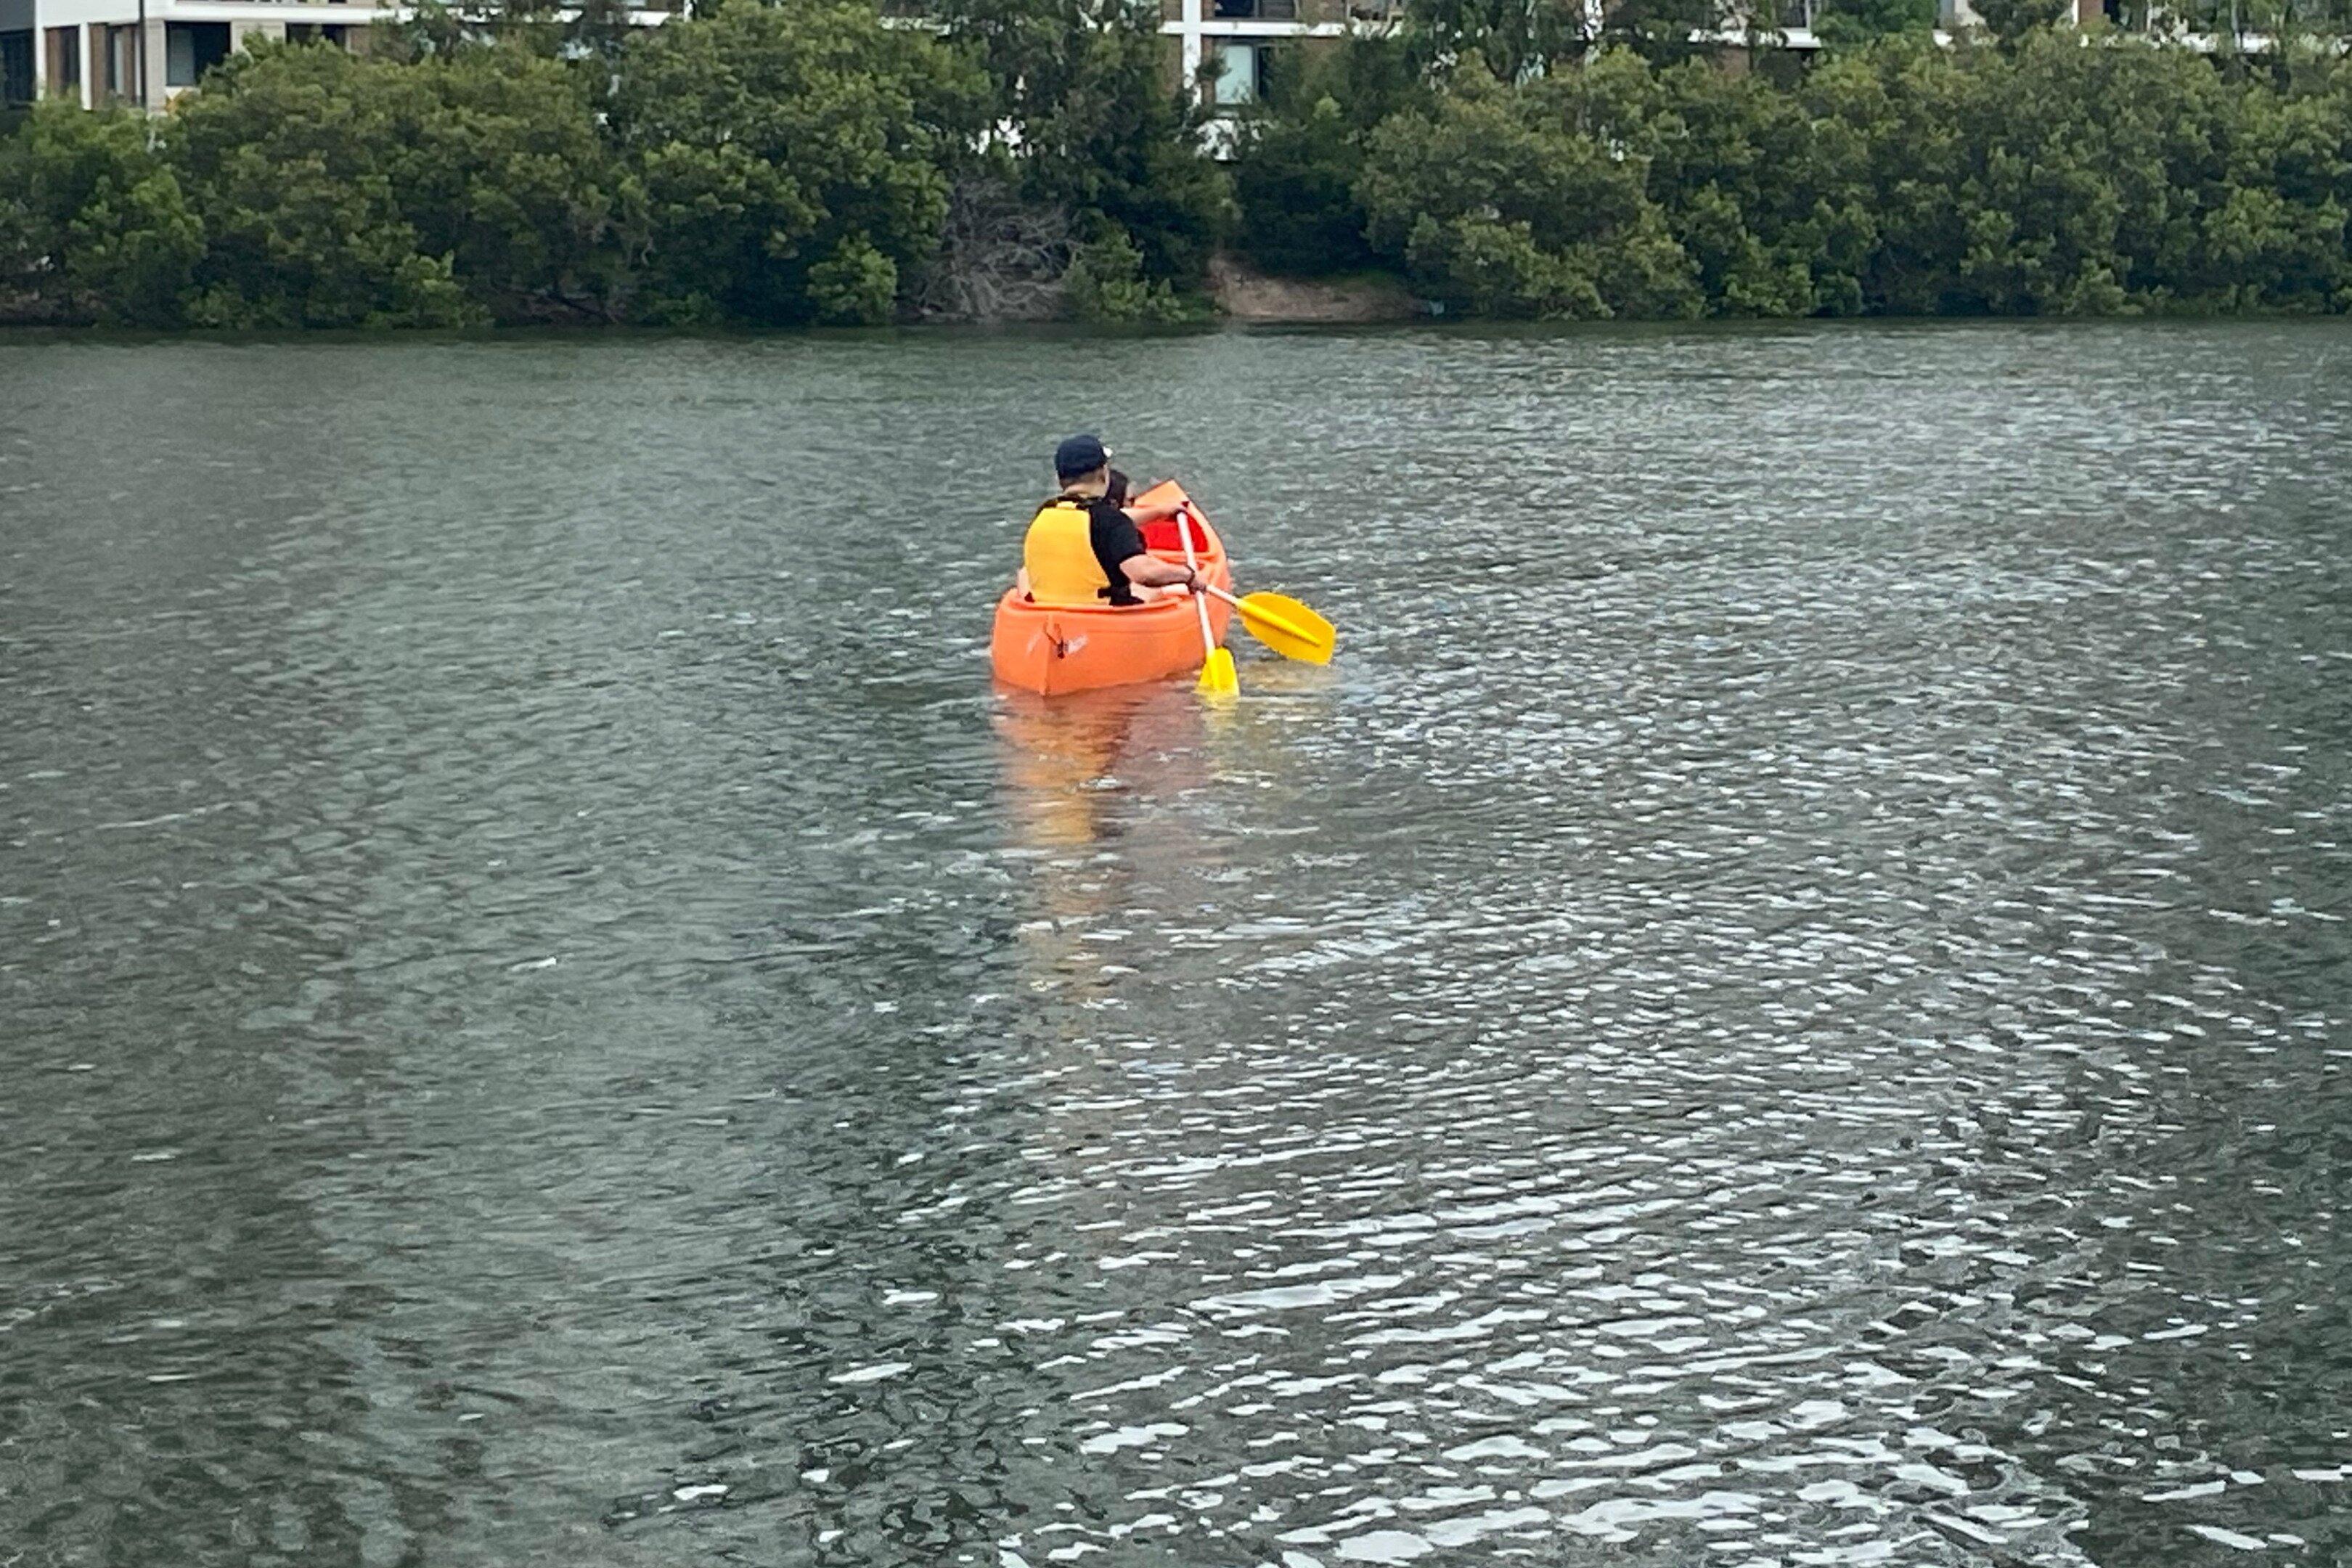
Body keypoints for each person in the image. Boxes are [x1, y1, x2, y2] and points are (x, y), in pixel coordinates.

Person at [1021, 435, 1201, 608]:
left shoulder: (1045, 514)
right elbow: (1144, 573)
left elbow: (1099, 526)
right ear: (1103, 473)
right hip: (1104, 620)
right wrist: (1188, 575)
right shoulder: (1109, 521)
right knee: (1155, 590)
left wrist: (1159, 512)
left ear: (1061, 480)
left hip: (1052, 617)